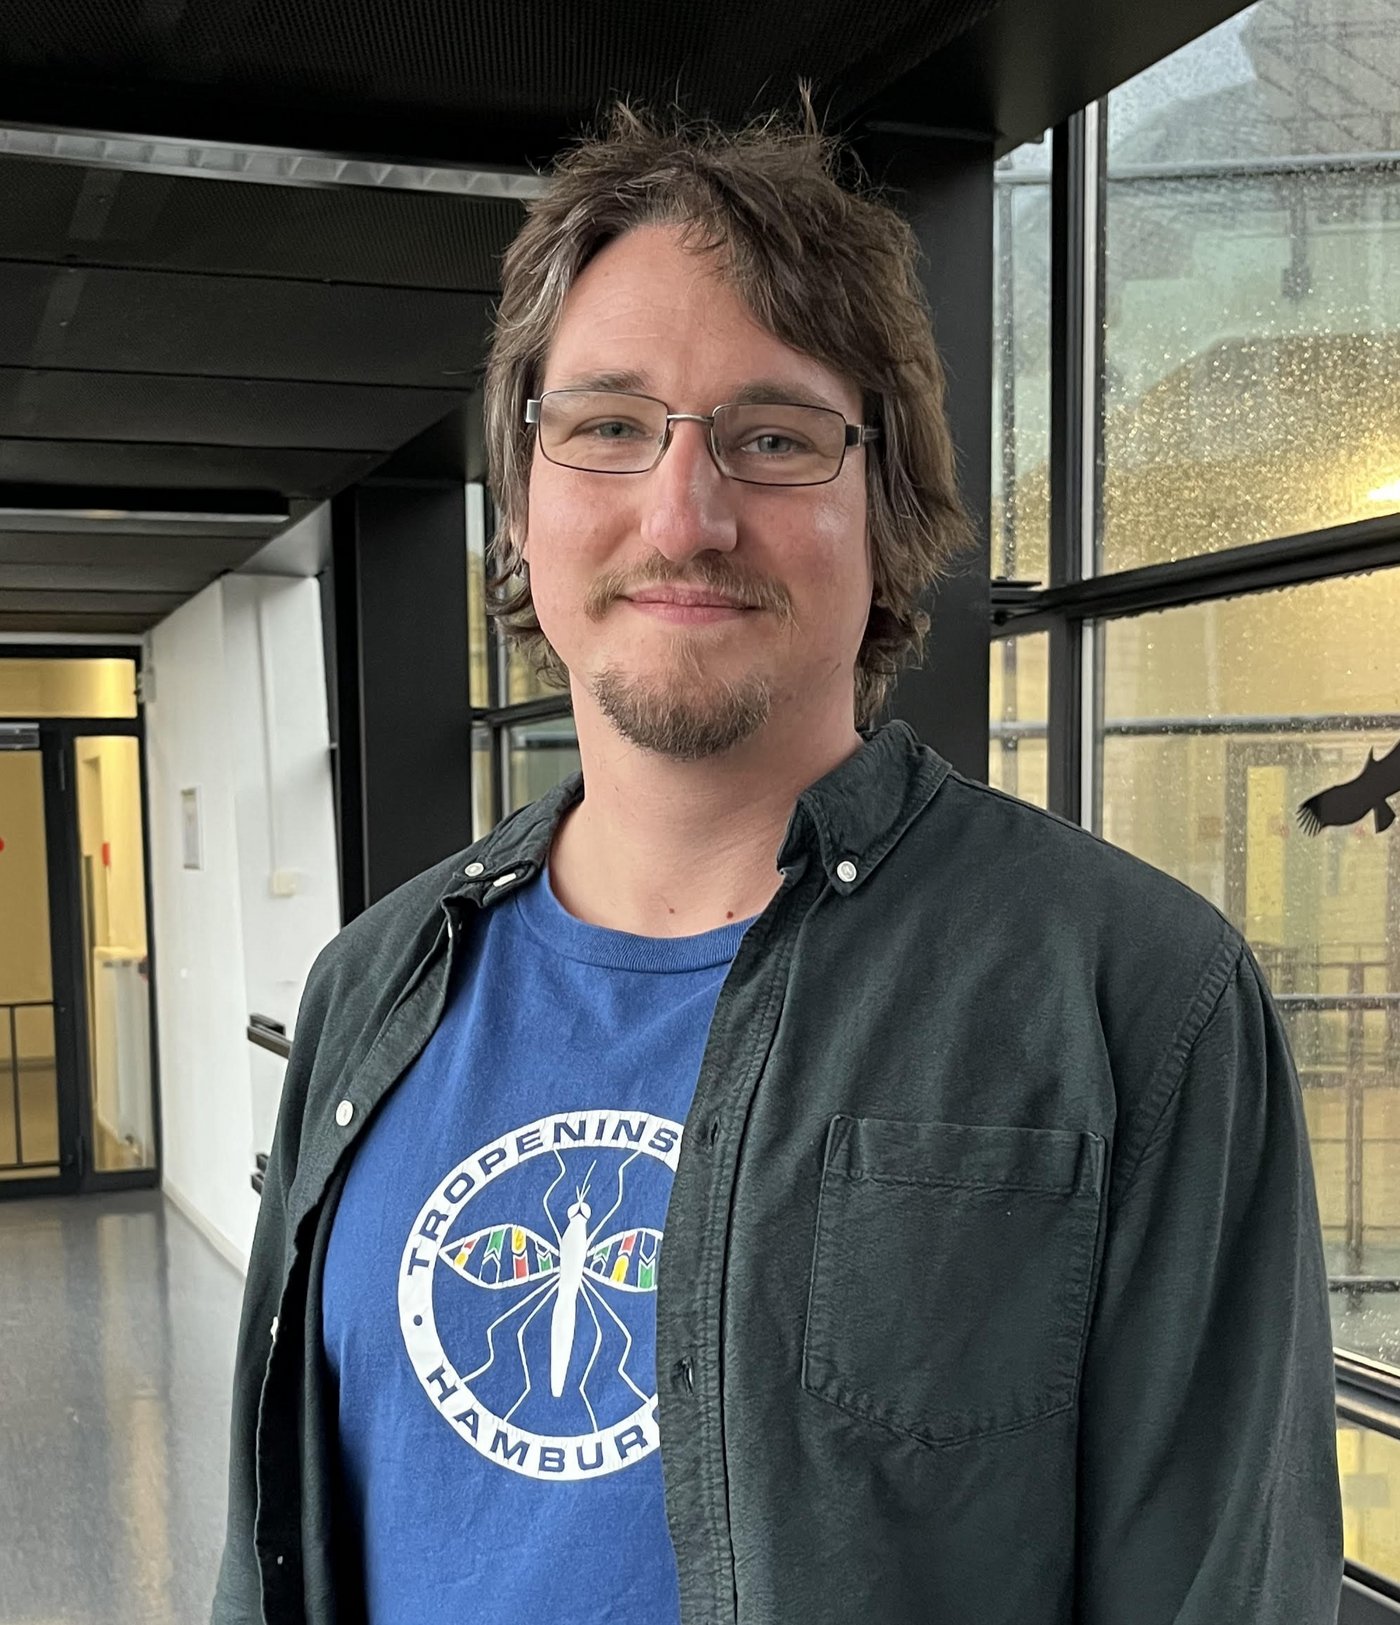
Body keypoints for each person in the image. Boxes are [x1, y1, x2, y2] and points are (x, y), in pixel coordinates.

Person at [213, 101, 1342, 1625]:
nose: (686, 514)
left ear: (884, 511)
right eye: (609, 425)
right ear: (526, 497)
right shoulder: (376, 986)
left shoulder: (1135, 998)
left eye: (774, 437)